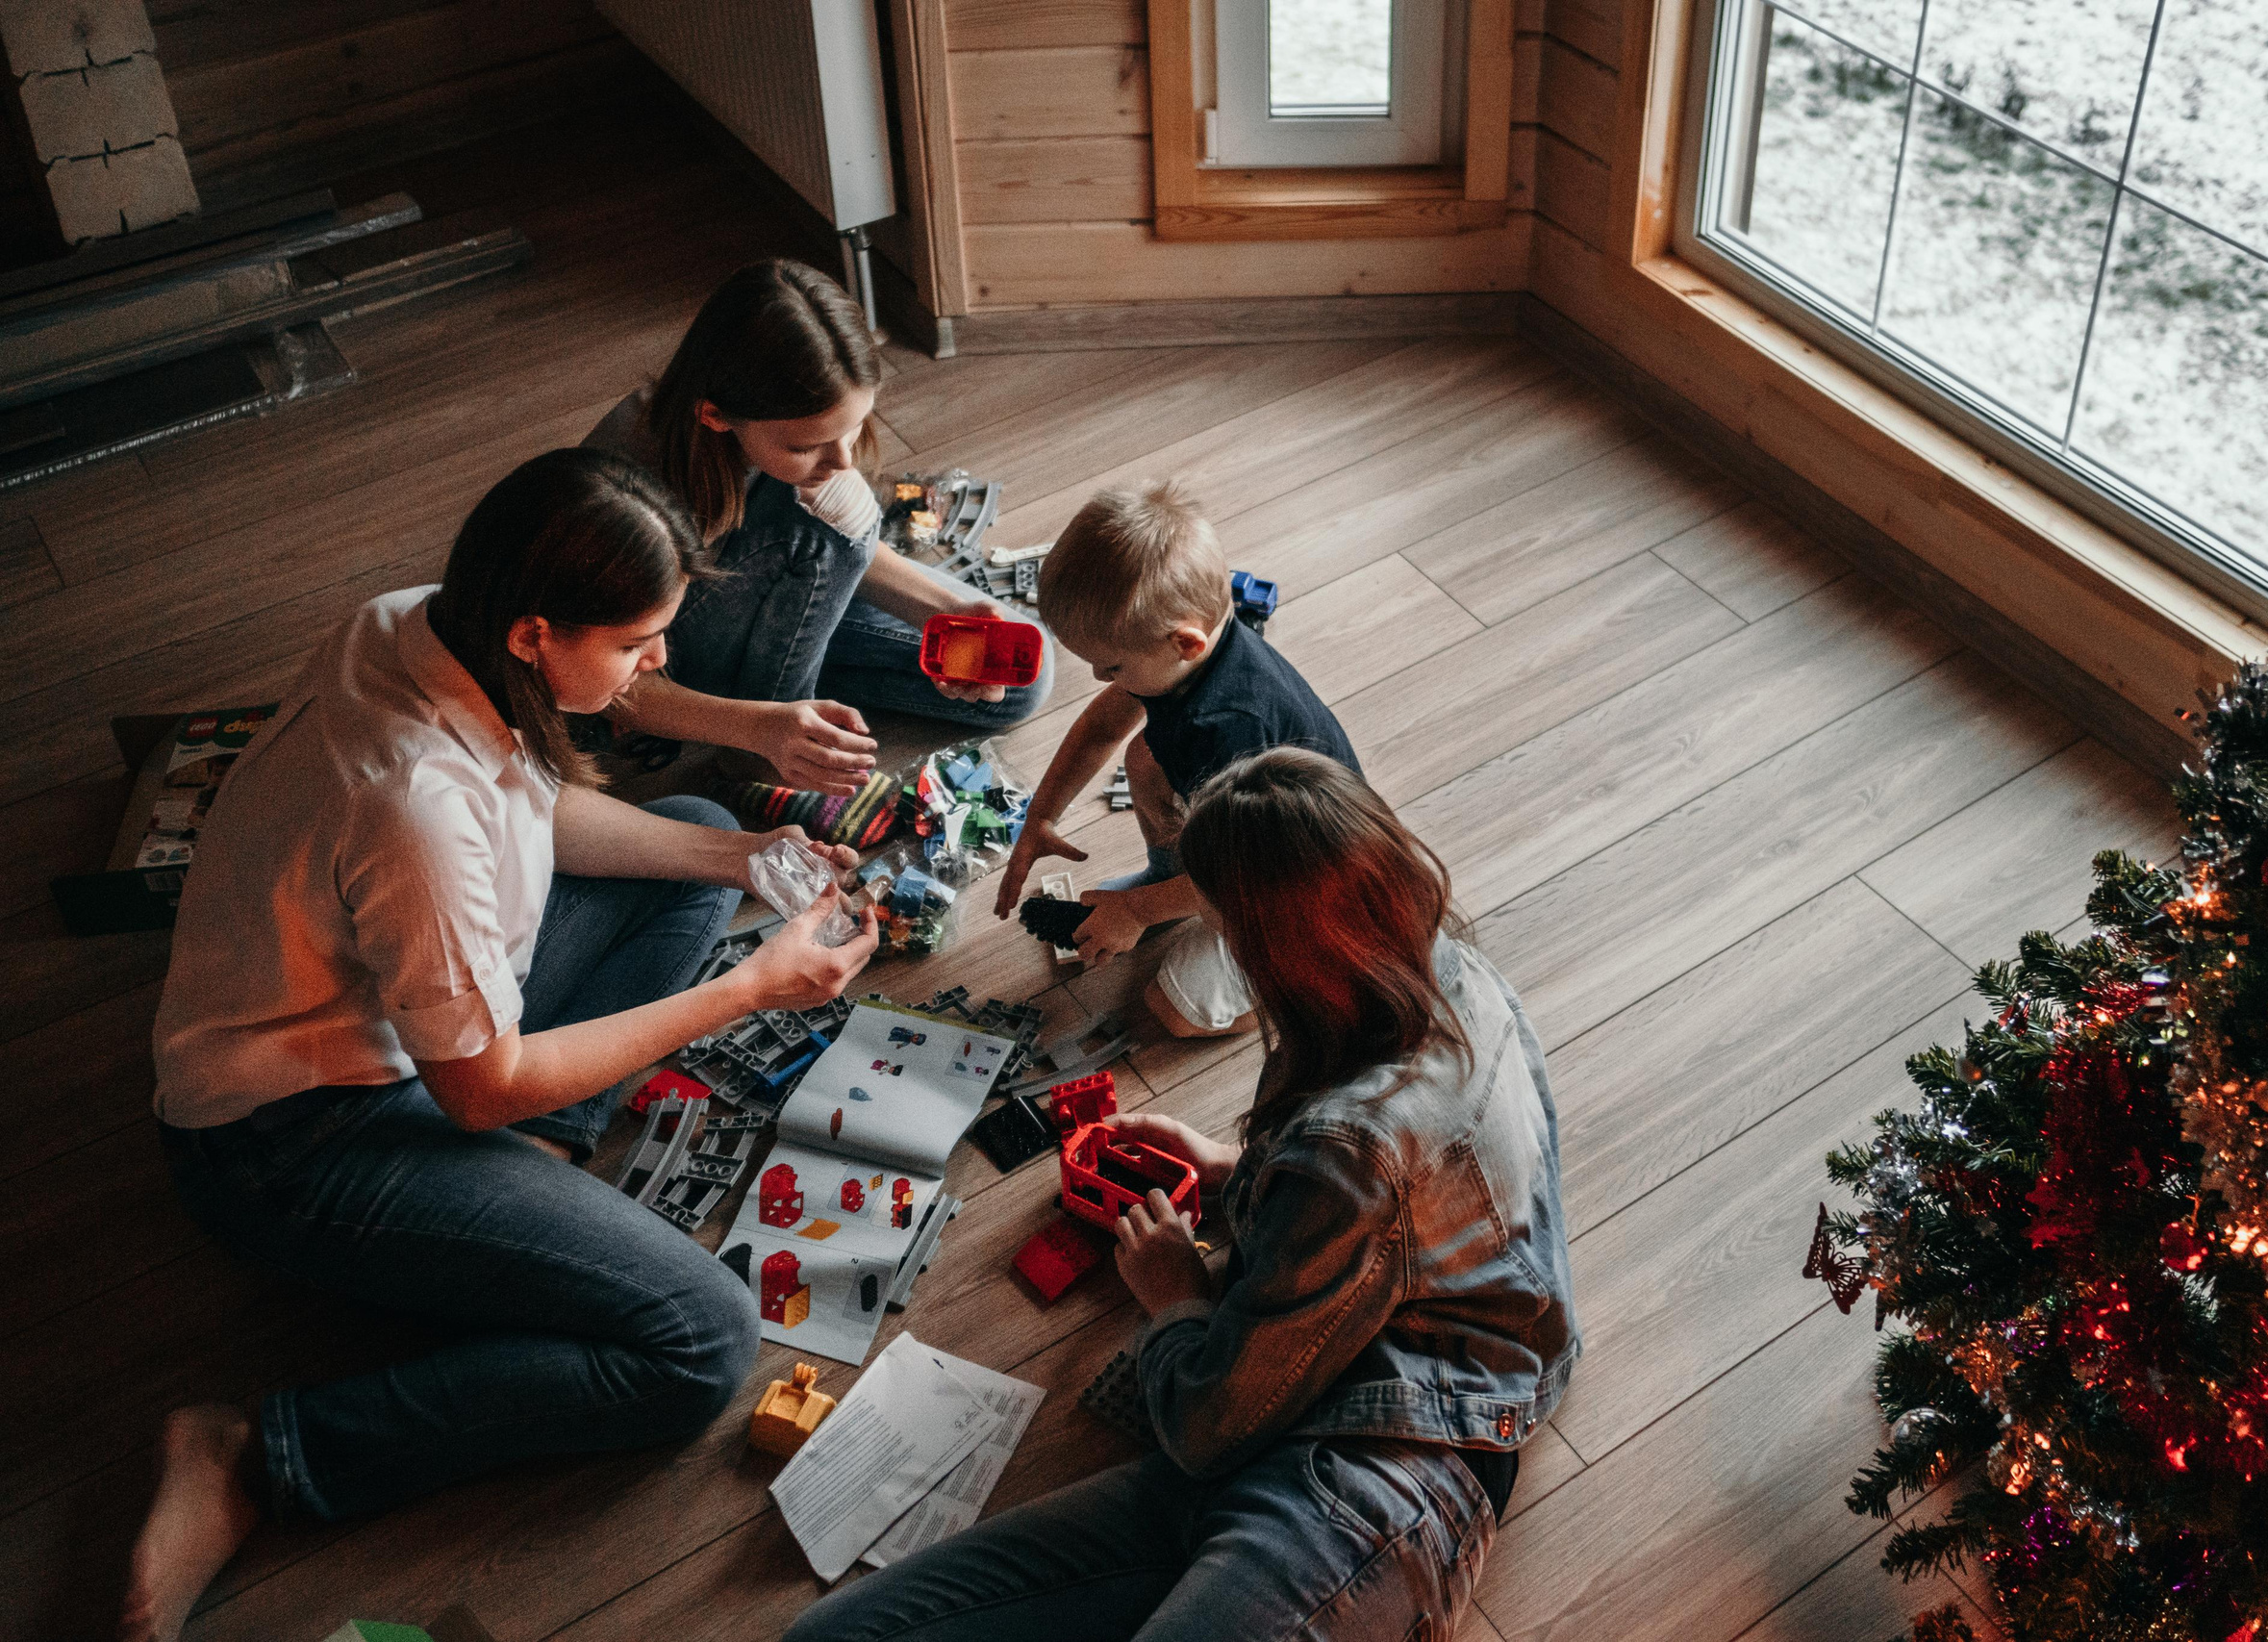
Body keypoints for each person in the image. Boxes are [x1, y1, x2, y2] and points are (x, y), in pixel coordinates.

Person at [121, 449, 880, 1642]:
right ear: (535, 632)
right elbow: (482, 1087)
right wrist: (754, 990)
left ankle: (547, 1168)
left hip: (398, 1023)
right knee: (703, 1344)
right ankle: (257, 1455)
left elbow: (530, 810)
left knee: (693, 827)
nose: (656, 665)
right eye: (637, 644)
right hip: (289, 1139)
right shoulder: (407, 806)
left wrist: (742, 867)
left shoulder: (413, 626)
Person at [793, 748, 1578, 1642]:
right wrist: (1243, 1175)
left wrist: (1174, 1295)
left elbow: (1208, 1425)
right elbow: (1415, 1212)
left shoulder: (1349, 1149)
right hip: (1369, 1382)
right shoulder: (1447, 969)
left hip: (1395, 1465)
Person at [585, 258, 1050, 800]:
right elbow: (607, 681)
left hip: (771, 580)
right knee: (820, 521)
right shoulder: (628, 498)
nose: (844, 460)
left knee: (1020, 682)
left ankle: (777, 680)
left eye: (852, 429)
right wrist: (760, 731)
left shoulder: (777, 437)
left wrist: (937, 611)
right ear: (714, 415)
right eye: (806, 446)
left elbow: (842, 543)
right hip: (663, 652)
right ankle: (754, 759)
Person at [995, 481, 1358, 1039]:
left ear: (1184, 642)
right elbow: (1102, 725)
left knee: (1174, 1013)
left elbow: (1247, 879)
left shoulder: (1232, 729)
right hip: (1241, 846)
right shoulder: (1190, 656)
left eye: (1110, 666)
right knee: (1145, 754)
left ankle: (1302, 994)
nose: (1099, 678)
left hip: (1298, 882)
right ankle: (1173, 881)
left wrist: (1139, 911)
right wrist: (1042, 815)